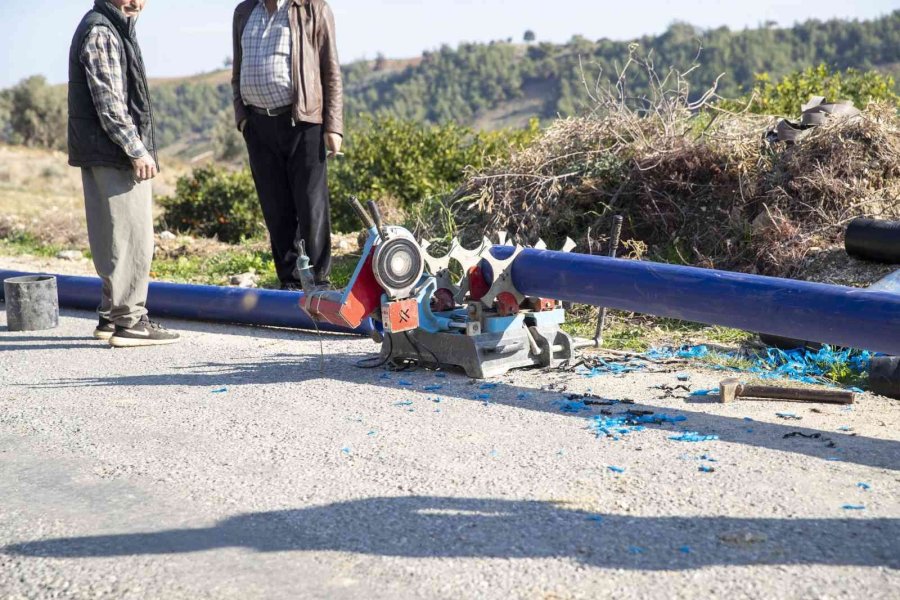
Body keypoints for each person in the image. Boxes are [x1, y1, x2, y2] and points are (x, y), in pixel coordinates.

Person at [68, 0, 179, 347]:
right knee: (132, 239)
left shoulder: (110, 25)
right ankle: (130, 321)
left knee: (112, 236)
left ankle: (109, 314)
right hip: (114, 153)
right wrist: (136, 149)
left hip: (103, 150)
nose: (137, 3)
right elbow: (111, 102)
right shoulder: (102, 30)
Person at [232, 0, 344, 290]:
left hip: (304, 122)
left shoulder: (313, 8)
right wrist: (242, 118)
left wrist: (334, 126)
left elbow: (330, 69)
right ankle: (290, 282)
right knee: (275, 207)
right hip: (258, 125)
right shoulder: (244, 12)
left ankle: (318, 282)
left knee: (311, 206)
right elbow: (237, 69)